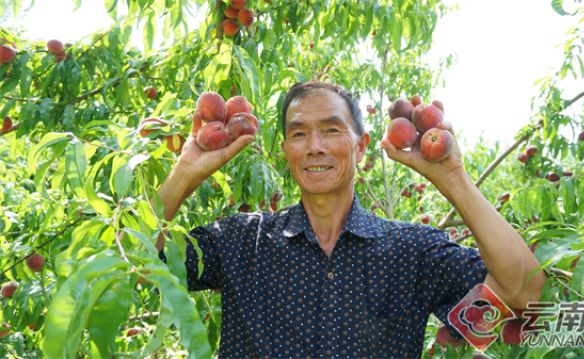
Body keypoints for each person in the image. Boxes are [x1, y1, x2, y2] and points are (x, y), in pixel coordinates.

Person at [156, 81, 546, 358]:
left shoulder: (412, 252)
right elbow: (135, 262)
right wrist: (186, 171)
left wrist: (452, 177)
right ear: (285, 150)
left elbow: (526, 293)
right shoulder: (240, 242)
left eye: (331, 129)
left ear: (360, 147)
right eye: (299, 134)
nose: (315, 146)